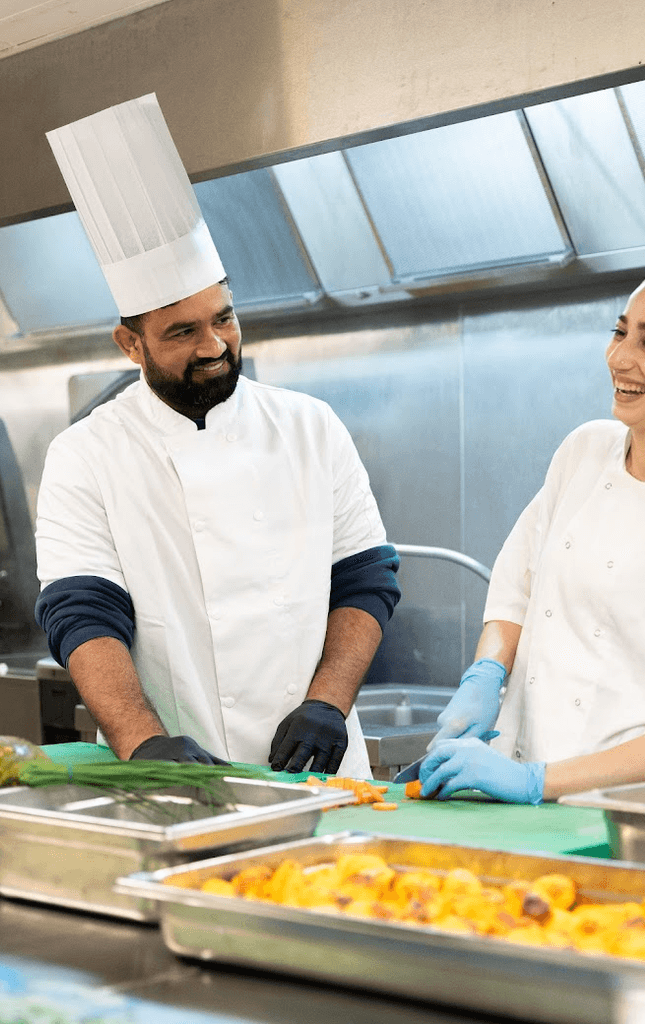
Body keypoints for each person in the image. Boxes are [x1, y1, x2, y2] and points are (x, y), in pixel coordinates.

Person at [34, 95, 399, 776]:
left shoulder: (309, 427)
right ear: (129, 344)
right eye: (181, 331)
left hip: (319, 767)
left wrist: (328, 702)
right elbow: (82, 613)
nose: (214, 346)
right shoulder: (86, 454)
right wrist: (142, 742)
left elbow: (364, 579)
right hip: (179, 767)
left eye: (224, 319)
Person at [421, 258, 645, 803]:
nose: (620, 358)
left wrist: (538, 783)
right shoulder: (585, 451)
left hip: (626, 816)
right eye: (620, 331)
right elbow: (519, 580)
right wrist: (485, 673)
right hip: (517, 789)